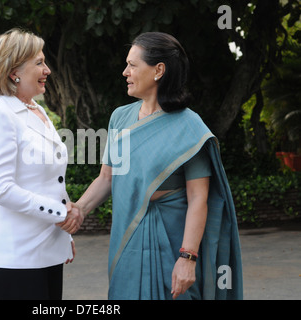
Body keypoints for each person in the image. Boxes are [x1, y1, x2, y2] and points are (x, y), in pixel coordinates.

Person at [60, 32, 243, 300]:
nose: (125, 72)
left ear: (159, 70)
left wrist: (188, 258)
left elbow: (198, 197)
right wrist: (79, 209)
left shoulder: (189, 127)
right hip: (128, 239)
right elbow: (107, 178)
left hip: (173, 242)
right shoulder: (120, 118)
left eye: (133, 65)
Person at [0, 28, 78, 300]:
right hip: (15, 254)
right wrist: (61, 214)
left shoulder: (37, 109)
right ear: (14, 72)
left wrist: (64, 235)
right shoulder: (0, 114)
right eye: (39, 63)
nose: (47, 70)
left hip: (46, 247)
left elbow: (51, 180)